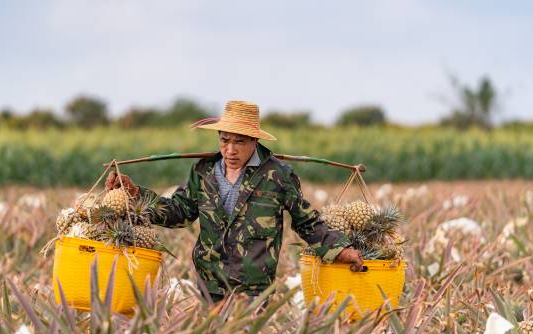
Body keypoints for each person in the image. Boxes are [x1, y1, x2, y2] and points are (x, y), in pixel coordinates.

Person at [106, 100, 363, 303]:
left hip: (254, 290)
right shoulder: (203, 171)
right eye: (225, 140)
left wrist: (340, 249)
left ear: (254, 140)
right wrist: (134, 194)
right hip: (209, 285)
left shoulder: (277, 175)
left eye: (239, 142)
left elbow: (306, 221)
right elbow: (178, 212)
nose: (230, 150)